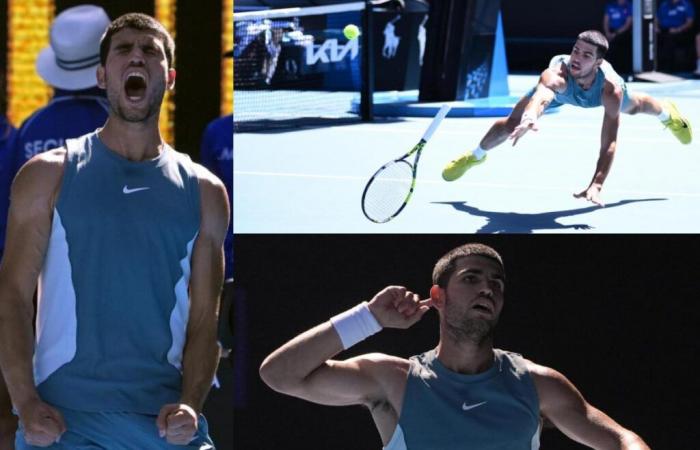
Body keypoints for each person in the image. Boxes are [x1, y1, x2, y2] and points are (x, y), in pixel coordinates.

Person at [0, 12, 229, 450]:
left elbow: (205, 318)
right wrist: (25, 402)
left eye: (151, 51)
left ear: (171, 76)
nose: (137, 57)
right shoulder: (47, 175)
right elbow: (12, 293)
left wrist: (191, 404)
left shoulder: (206, 192)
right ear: (103, 76)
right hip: (62, 420)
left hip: (163, 422)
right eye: (124, 50)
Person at [259, 243, 651, 449]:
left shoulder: (538, 383)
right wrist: (369, 318)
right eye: (471, 278)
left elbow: (620, 439)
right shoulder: (392, 380)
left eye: (496, 282)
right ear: (438, 296)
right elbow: (279, 375)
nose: (488, 287)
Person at [441, 30, 692, 207]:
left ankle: (667, 113)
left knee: (636, 106)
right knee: (511, 124)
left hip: (597, 95)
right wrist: (530, 117)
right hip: (562, 94)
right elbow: (541, 96)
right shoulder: (556, 75)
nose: (576, 58)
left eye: (586, 55)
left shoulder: (610, 90)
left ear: (598, 62)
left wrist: (597, 183)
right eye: (575, 51)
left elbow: (609, 142)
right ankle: (474, 156)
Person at [0, 4, 111, 266]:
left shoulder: (29, 128)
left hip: (40, 277)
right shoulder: (123, 122)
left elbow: (11, 215)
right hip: (107, 271)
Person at [656, 0, 695, 72]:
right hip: (664, 31)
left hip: (681, 31)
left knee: (669, 39)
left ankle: (669, 68)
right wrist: (656, 27)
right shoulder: (664, 4)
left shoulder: (686, 4)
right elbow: (657, 19)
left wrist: (678, 29)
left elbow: (690, 22)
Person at [603, 0, 632, 73]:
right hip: (611, 32)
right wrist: (607, 33)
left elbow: (628, 24)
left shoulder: (629, 6)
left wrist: (616, 34)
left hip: (623, 34)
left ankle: (622, 70)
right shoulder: (611, 5)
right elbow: (606, 21)